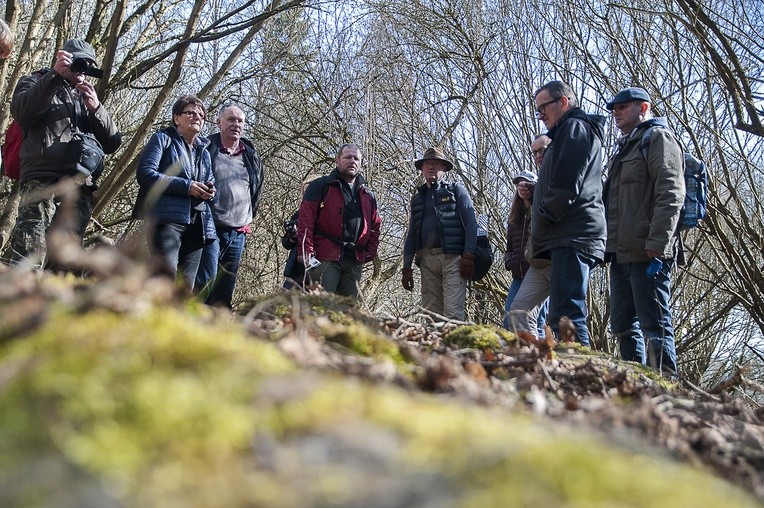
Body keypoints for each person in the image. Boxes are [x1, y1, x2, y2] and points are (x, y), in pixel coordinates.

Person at [8, 39, 122, 266]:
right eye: (79, 63)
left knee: (65, 257)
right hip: (43, 176)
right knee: (31, 248)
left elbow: (113, 143)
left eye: (89, 66)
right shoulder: (37, 81)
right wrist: (54, 76)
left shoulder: (87, 96)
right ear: (65, 60)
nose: (83, 71)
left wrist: (97, 109)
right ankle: (16, 297)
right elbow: (22, 112)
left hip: (80, 185)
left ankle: (52, 300)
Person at [604, 87, 685, 374]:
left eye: (623, 107)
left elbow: (672, 193)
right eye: (614, 108)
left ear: (644, 108)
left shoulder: (658, 138)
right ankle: (635, 386)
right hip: (620, 254)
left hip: (649, 252)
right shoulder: (623, 147)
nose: (616, 112)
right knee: (623, 327)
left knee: (655, 325)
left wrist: (658, 242)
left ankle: (667, 389)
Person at [531, 80, 606, 345]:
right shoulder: (564, 132)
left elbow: (566, 182)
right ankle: (576, 374)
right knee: (561, 314)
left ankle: (582, 377)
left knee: (567, 316)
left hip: (572, 234)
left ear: (563, 102)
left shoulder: (575, 128)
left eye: (543, 108)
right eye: (537, 110)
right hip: (566, 233)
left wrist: (544, 214)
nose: (540, 115)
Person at [134, 95, 217, 290]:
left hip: (198, 224)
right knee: (164, 281)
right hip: (166, 220)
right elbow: (145, 174)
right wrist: (187, 186)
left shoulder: (204, 151)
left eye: (201, 115)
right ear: (176, 118)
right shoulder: (163, 139)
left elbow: (210, 180)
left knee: (185, 287)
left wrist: (210, 191)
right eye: (190, 112)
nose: (197, 117)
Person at [194, 104, 264, 308]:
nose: (236, 124)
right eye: (231, 120)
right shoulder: (206, 148)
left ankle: (218, 331)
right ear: (219, 123)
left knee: (225, 287)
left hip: (239, 231)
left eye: (240, 121)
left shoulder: (250, 155)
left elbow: (255, 189)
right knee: (204, 281)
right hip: (209, 227)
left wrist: (249, 217)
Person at [401, 147, 478, 321]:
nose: (431, 167)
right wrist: (407, 267)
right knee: (430, 316)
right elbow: (412, 233)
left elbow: (472, 222)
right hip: (427, 262)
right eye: (427, 164)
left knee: (452, 314)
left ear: (444, 169)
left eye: (436, 164)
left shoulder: (456, 190)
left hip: (453, 259)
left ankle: (455, 348)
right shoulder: (418, 198)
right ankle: (432, 348)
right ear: (421, 169)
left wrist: (469, 254)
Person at [296, 143, 381, 297]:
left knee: (347, 312)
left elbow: (375, 227)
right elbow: (305, 220)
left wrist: (369, 253)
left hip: (354, 260)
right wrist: (306, 249)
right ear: (337, 161)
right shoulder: (321, 186)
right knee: (323, 306)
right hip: (325, 256)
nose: (352, 161)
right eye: (347, 157)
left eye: (356, 158)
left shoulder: (368, 195)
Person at [503, 135, 550, 335]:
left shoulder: (540, 206)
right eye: (520, 184)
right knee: (511, 316)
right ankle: (528, 353)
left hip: (541, 266)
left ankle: (541, 356)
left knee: (539, 320)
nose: (523, 187)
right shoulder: (515, 218)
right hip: (519, 274)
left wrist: (533, 198)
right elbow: (509, 248)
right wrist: (510, 261)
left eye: (527, 183)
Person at [282, 176, 318, 290]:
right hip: (295, 269)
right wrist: (293, 237)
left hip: (316, 267)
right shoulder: (298, 214)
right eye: (305, 192)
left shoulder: (325, 216)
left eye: (310, 191)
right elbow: (286, 243)